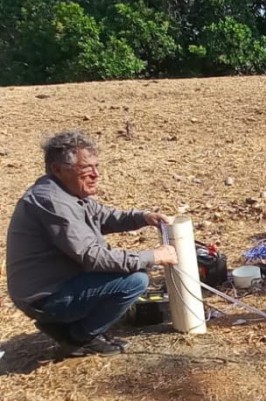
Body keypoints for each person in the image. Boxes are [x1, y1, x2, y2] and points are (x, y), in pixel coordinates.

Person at [5, 130, 179, 357]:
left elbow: (105, 217)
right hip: (45, 297)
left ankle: (64, 323)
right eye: (86, 169)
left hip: (56, 286)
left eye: (97, 166)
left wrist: (143, 217)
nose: (96, 174)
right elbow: (93, 257)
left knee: (129, 273)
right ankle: (78, 336)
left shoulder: (66, 192)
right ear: (58, 169)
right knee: (135, 280)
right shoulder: (52, 202)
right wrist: (153, 256)